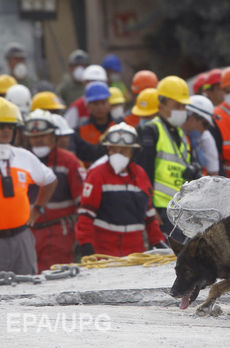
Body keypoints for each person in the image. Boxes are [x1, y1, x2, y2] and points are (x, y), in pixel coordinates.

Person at [75, 122, 165, 257]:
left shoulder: (140, 175)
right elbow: (86, 215)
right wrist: (86, 245)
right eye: (113, 150)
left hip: (136, 252)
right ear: (107, 150)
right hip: (104, 252)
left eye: (124, 151)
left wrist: (158, 242)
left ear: (133, 152)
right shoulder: (97, 174)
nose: (118, 154)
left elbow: (150, 216)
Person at [0, 98, 57, 274]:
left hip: (22, 236)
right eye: (1, 126)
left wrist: (38, 208)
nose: (6, 131)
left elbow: (50, 180)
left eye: (11, 126)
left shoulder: (24, 157)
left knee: (28, 290)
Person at [23, 110, 84, 272]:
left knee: (55, 277)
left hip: (59, 232)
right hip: (27, 231)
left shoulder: (69, 161)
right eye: (34, 137)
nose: (38, 141)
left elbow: (83, 202)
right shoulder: (23, 161)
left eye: (43, 136)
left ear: (53, 137)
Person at [137, 76, 193, 242]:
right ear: (161, 103)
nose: (181, 110)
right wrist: (149, 209)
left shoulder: (181, 134)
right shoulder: (151, 131)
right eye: (177, 105)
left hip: (181, 208)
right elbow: (143, 172)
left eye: (184, 106)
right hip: (161, 209)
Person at [75, 81, 114, 166]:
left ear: (109, 104)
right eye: (95, 104)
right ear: (88, 106)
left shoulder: (118, 126)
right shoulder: (79, 131)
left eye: (103, 102)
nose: (100, 107)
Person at [184, 95, 220, 175]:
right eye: (205, 124)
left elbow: (213, 173)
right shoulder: (174, 135)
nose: (205, 129)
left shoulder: (204, 137)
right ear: (192, 118)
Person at [64, 64, 108, 129]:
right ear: (84, 83)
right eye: (91, 81)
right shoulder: (77, 106)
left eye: (99, 81)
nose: (95, 84)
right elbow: (67, 128)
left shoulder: (112, 103)